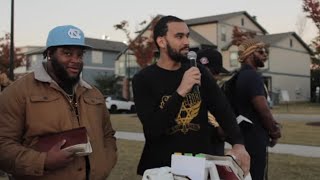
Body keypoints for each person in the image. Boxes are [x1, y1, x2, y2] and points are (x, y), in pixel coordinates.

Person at [132, 15, 250, 176]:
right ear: (161, 42)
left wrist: (238, 143)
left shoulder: (198, 71)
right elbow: (153, 130)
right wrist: (181, 91)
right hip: (161, 168)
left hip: (199, 165)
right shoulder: (143, 79)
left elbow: (222, 109)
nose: (186, 42)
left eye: (187, 36)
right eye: (179, 36)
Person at [0, 25, 117, 180]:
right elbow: (3, 144)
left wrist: (105, 164)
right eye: (67, 53)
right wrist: (43, 162)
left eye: (80, 55)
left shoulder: (93, 93)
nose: (75, 60)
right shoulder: (18, 92)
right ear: (49, 53)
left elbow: (108, 135)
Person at [235, 39, 281, 180]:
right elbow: (262, 108)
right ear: (249, 54)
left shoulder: (239, 76)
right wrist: (274, 131)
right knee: (257, 175)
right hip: (254, 139)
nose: (265, 55)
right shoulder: (252, 76)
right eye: (260, 52)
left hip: (242, 138)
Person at [196, 48, 230, 156]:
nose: (217, 77)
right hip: (198, 151)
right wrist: (218, 126)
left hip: (216, 148)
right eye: (214, 72)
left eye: (218, 73)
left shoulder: (216, 91)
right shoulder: (189, 89)